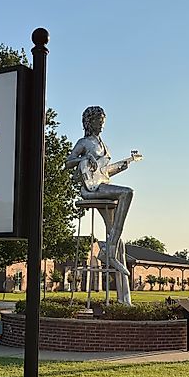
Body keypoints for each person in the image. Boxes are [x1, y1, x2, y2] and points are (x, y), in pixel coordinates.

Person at [65, 106, 135, 278]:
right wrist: (85, 157)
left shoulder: (103, 145)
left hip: (102, 183)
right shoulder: (84, 142)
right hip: (92, 188)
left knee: (119, 241)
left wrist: (121, 167)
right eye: (98, 120)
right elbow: (68, 162)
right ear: (90, 122)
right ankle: (108, 253)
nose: (102, 123)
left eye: (103, 120)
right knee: (127, 192)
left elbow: (103, 172)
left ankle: (123, 298)